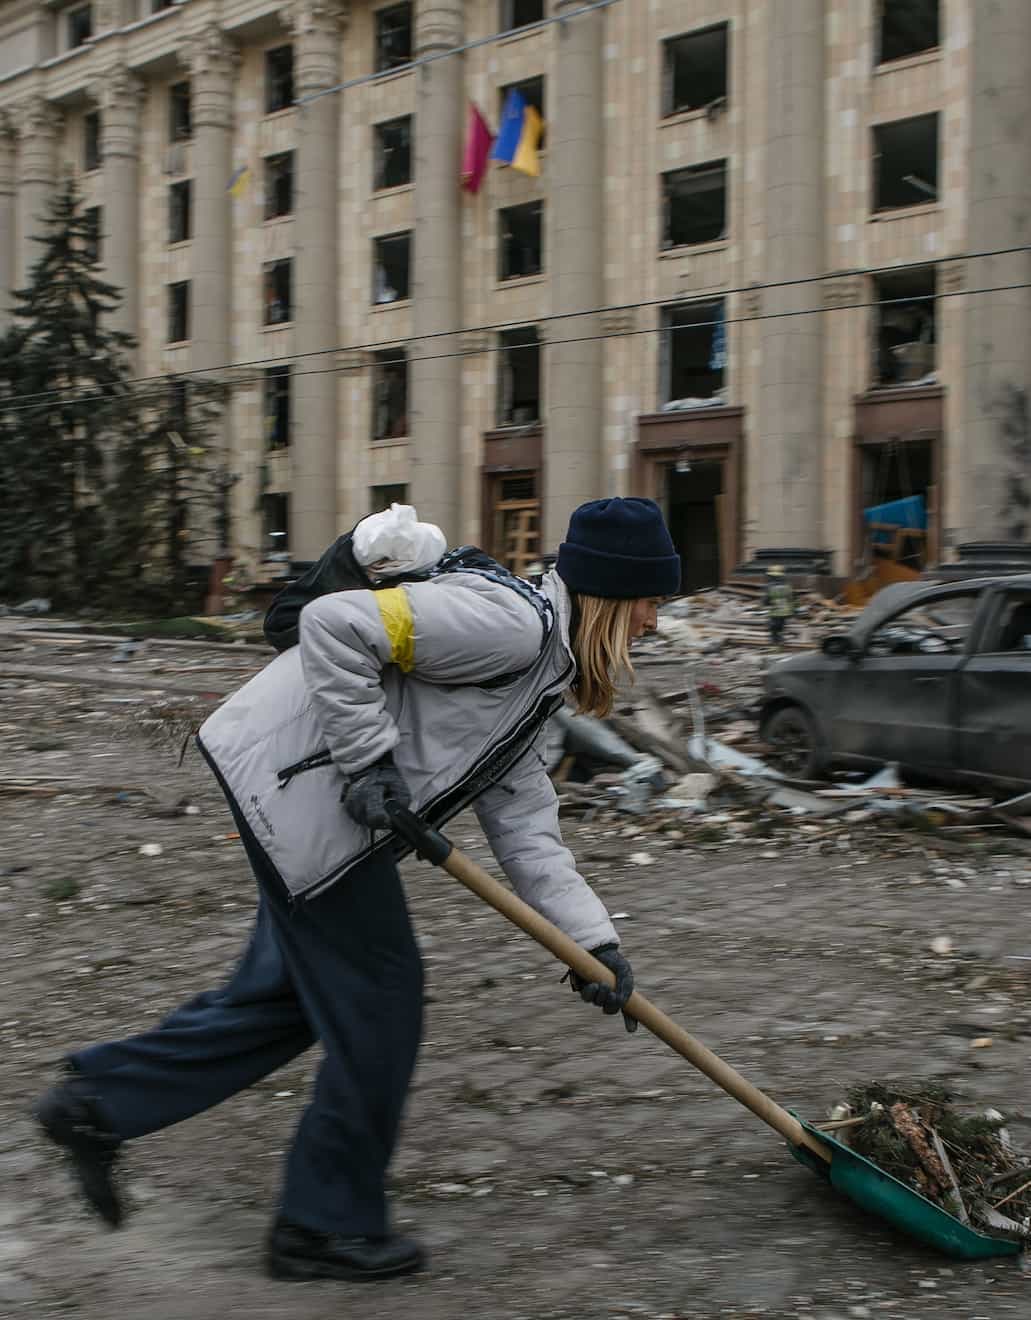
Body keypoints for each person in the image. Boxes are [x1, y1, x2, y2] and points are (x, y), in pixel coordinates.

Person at [33, 497, 680, 1285]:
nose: (653, 620)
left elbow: (527, 829)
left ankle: (95, 1106)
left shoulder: (537, 678)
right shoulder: (506, 625)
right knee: (379, 1005)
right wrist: (369, 762)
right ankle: (322, 1225)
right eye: (650, 600)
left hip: (305, 807)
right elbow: (338, 624)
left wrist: (593, 943)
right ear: (613, 595)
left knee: (285, 1000)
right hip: (302, 799)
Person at [764, 565, 794, 645]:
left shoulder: (769, 586)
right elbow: (791, 598)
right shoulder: (787, 586)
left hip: (775, 610)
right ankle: (780, 639)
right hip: (785, 611)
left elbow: (766, 599)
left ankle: (774, 641)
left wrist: (765, 603)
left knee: (772, 626)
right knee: (781, 626)